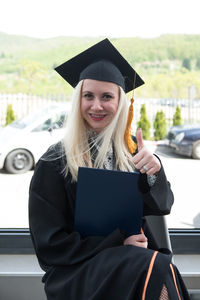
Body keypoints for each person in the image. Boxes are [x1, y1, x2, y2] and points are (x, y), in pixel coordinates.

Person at [29, 39, 190, 300]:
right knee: (156, 268)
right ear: (77, 100)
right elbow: (50, 245)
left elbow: (163, 206)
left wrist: (155, 173)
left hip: (132, 260)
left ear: (120, 103)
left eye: (107, 97)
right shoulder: (55, 161)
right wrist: (118, 244)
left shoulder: (132, 152)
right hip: (77, 269)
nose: (96, 106)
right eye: (88, 96)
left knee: (156, 267)